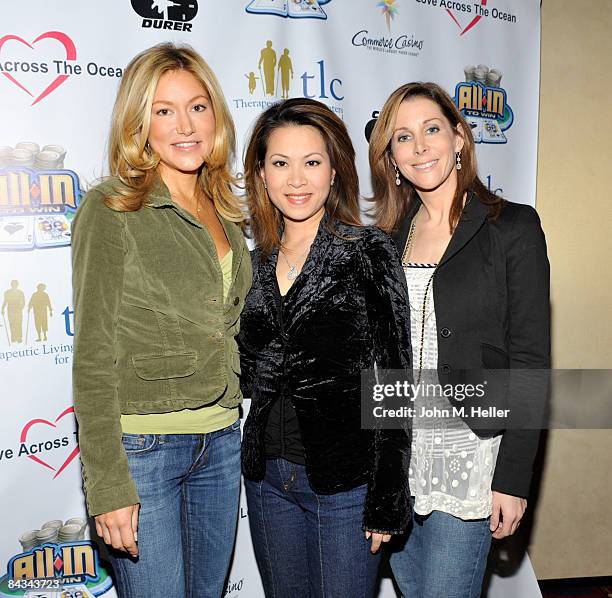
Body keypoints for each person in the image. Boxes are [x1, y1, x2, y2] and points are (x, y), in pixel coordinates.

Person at [71, 43, 252, 598]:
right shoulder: (111, 208)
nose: (185, 125)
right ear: (139, 122)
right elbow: (94, 355)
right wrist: (106, 485)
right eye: (163, 110)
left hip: (221, 442)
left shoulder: (225, 208)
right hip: (144, 450)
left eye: (197, 107)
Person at [368, 81, 550, 598]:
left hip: (470, 456)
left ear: (460, 137)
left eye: (431, 130)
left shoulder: (511, 226)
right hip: (401, 456)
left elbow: (532, 361)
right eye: (402, 137)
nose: (420, 146)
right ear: (392, 158)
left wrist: (513, 479)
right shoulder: (388, 237)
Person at [238, 98, 413, 598]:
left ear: (334, 172)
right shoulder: (254, 264)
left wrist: (387, 496)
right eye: (281, 163)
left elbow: (396, 379)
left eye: (312, 162)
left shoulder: (367, 251)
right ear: (262, 174)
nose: (297, 179)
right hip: (268, 479)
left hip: (347, 485)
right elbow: (246, 369)